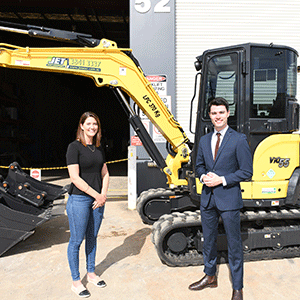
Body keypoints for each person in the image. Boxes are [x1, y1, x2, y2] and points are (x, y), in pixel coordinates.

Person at [189, 98, 253, 300]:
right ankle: (209, 276)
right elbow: (198, 165)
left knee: (234, 245)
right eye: (214, 113)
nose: (217, 116)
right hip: (208, 199)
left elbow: (246, 172)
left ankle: (237, 287)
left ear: (227, 114)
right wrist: (202, 176)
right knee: (208, 241)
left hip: (229, 199)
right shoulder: (205, 140)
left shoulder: (238, 139)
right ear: (210, 115)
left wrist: (222, 180)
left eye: (221, 113)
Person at [66, 111, 109, 298]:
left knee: (92, 237)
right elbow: (74, 178)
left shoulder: (99, 148)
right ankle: (76, 281)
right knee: (76, 240)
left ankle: (91, 273)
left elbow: (105, 173)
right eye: (89, 124)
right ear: (81, 125)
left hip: (97, 199)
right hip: (79, 199)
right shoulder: (74, 147)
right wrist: (96, 195)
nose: (92, 127)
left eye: (95, 124)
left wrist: (103, 195)